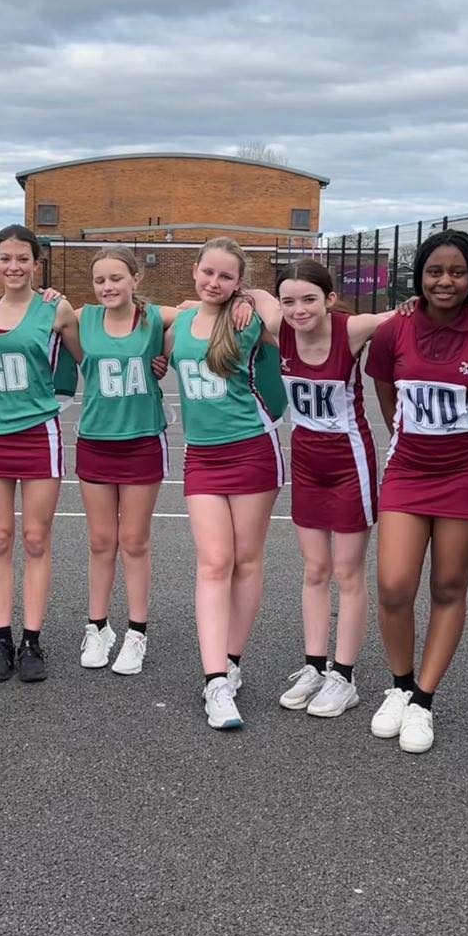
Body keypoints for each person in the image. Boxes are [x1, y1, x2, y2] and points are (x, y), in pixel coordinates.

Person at [364, 230, 468, 754]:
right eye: (434, 271)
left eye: (458, 272)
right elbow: (386, 392)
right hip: (408, 471)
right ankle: (400, 686)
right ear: (419, 275)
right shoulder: (394, 329)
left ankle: (423, 699)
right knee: (394, 586)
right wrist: (407, 437)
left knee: (448, 587)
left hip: (466, 473)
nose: (445, 281)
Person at [173, 238, 285, 730]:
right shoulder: (177, 322)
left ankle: (232, 661)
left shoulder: (249, 319)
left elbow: (282, 316)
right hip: (202, 456)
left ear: (239, 281)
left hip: (252, 451)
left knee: (246, 560)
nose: (213, 282)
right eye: (208, 272)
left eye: (225, 276)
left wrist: (253, 297)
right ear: (194, 270)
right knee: (214, 562)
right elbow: (121, 310)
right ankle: (214, 680)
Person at [273, 260, 393, 718]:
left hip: (349, 462)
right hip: (306, 463)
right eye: (289, 301)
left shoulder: (353, 329)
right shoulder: (278, 327)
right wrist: (241, 298)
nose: (299, 310)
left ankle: (344, 676)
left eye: (309, 299)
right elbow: (237, 297)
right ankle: (315, 666)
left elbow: (410, 313)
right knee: (315, 569)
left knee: (347, 572)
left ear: (330, 299)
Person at [0, 224, 83, 683]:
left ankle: (32, 640)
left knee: (36, 539)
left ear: (37, 264)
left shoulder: (57, 310)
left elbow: (92, 356)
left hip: (38, 434)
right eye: (6, 258)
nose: (14, 266)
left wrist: (154, 360)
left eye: (23, 259)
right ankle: (2, 639)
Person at [75, 247, 177, 676]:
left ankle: (137, 632)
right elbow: (35, 313)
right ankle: (98, 627)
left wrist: (245, 300)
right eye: (100, 280)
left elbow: (201, 308)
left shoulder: (154, 318)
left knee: (134, 542)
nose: (108, 287)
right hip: (96, 440)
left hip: (141, 440)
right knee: (101, 541)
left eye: (116, 278)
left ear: (136, 279)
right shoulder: (82, 318)